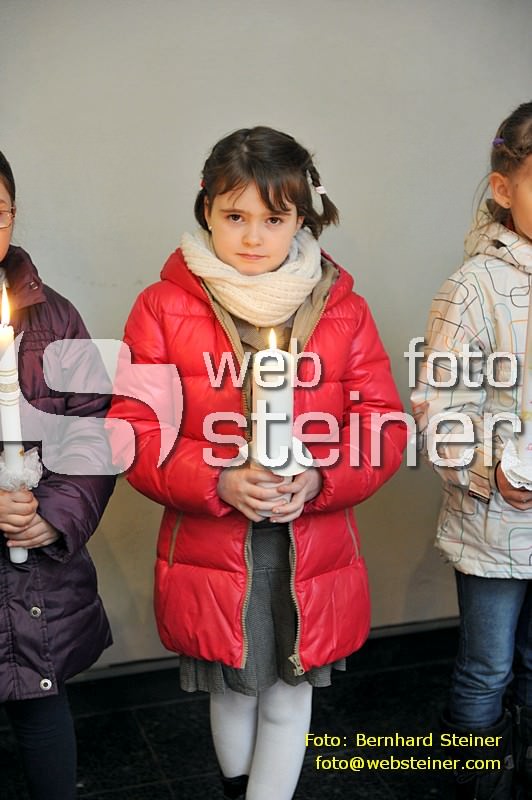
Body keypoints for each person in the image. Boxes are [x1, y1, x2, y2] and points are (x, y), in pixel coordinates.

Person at [109, 126, 406, 800]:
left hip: (311, 546)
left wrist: (321, 477)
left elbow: (383, 424)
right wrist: (217, 479)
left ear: (302, 218)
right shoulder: (162, 307)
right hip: (213, 546)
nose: (251, 237)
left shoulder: (344, 310)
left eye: (273, 219)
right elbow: (132, 430)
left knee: (288, 694)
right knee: (234, 690)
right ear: (205, 210)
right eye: (234, 216)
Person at [411, 103, 532, 800]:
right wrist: (492, 470)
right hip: (495, 527)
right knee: (487, 669)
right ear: (503, 188)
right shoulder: (472, 289)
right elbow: (438, 412)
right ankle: (474, 785)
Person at [0, 150, 116, 800]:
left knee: (40, 705)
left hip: (32, 576)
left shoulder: (53, 318)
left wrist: (52, 516)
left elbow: (92, 428)